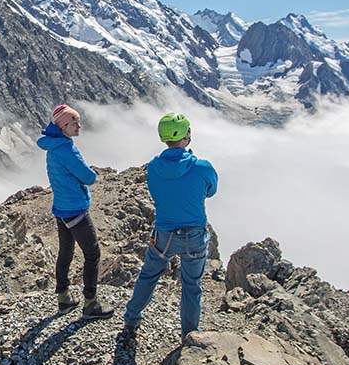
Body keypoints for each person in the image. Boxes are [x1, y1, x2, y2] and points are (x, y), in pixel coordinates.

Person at [123, 112, 218, 339]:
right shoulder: (203, 167)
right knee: (192, 285)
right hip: (195, 234)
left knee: (148, 276)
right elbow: (211, 191)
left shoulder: (154, 167)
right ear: (186, 134)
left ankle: (131, 320)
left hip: (164, 234)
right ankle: (190, 333)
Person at [37, 104, 114, 319]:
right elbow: (88, 177)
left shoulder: (52, 146)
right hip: (75, 208)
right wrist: (92, 173)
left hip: (61, 208)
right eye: (75, 123)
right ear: (64, 126)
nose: (79, 126)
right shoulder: (66, 149)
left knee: (66, 252)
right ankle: (91, 304)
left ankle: (63, 299)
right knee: (92, 253)